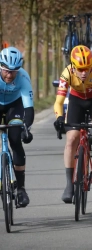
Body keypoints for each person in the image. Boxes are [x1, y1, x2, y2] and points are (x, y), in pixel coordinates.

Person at [54, 45, 92, 203]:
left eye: (87, 68)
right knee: (72, 139)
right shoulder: (66, 73)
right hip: (76, 101)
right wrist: (59, 118)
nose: (84, 72)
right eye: (80, 69)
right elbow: (59, 102)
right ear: (73, 66)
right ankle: (69, 184)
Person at [0, 47, 34, 207]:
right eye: (6, 71)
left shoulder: (23, 78)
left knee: (15, 139)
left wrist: (26, 128)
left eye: (13, 72)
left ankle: (21, 188)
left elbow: (29, 109)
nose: (9, 75)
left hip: (15, 106)